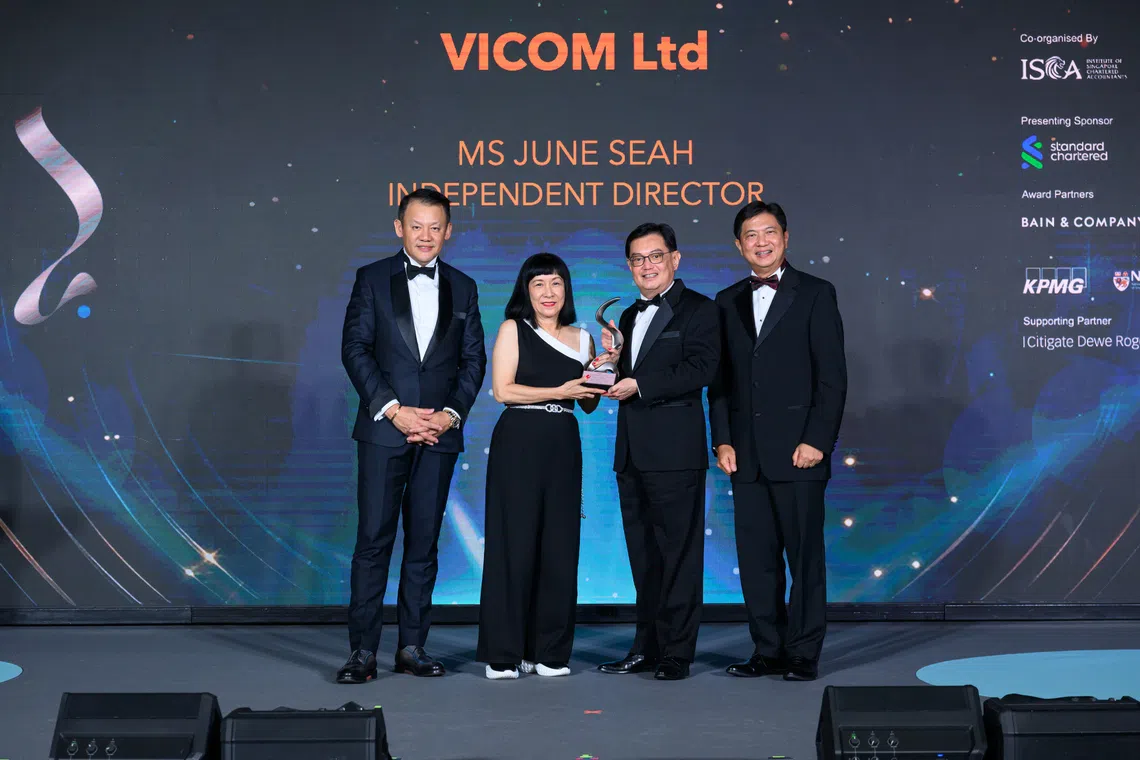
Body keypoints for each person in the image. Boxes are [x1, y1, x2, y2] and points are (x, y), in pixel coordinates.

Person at [338, 188, 487, 683]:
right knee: (373, 542)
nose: (426, 236)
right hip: (385, 431)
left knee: (424, 544)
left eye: (435, 227)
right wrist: (393, 410)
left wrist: (449, 415)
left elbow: (473, 360)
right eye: (416, 226)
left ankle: (413, 647)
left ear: (449, 231)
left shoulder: (464, 286)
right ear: (399, 227)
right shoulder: (372, 278)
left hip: (439, 435)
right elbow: (355, 349)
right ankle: (362, 653)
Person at [708, 201, 847, 682]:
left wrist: (817, 440)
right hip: (744, 455)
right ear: (739, 245)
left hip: (800, 452)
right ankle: (767, 649)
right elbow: (720, 381)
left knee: (804, 559)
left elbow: (832, 377)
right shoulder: (725, 301)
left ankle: (803, 652)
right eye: (751, 235)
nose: (761, 242)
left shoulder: (816, 293)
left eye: (769, 232)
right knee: (756, 561)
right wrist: (722, 440)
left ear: (786, 238)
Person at [595, 222, 720, 681]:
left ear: (675, 259)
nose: (647, 265)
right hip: (632, 453)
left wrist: (640, 384)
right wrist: (608, 366)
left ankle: (676, 653)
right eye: (637, 259)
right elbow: (626, 374)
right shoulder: (628, 316)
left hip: (675, 453)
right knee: (644, 557)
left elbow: (703, 368)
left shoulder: (701, 309)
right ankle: (645, 647)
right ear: (629, 266)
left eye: (655, 256)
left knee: (679, 556)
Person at [476, 253, 605, 680]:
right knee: (513, 543)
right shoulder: (513, 329)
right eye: (539, 284)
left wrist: (607, 367)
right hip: (519, 440)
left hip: (563, 442)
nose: (548, 293)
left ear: (566, 289)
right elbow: (503, 391)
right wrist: (559, 390)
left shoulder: (583, 338)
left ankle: (549, 652)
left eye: (556, 283)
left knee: (559, 546)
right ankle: (504, 653)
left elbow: (588, 403)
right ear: (526, 290)